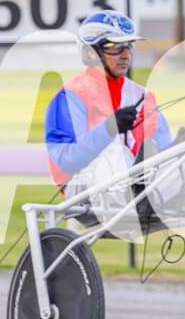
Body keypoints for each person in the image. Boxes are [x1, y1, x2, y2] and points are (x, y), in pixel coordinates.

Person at [44, 11, 173, 199]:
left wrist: (181, 149)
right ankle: (138, 189)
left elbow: (163, 150)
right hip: (84, 192)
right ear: (90, 52)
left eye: (129, 46)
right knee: (116, 152)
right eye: (115, 47)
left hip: (143, 186)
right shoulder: (69, 96)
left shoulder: (144, 96)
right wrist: (108, 129)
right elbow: (66, 161)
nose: (126, 55)